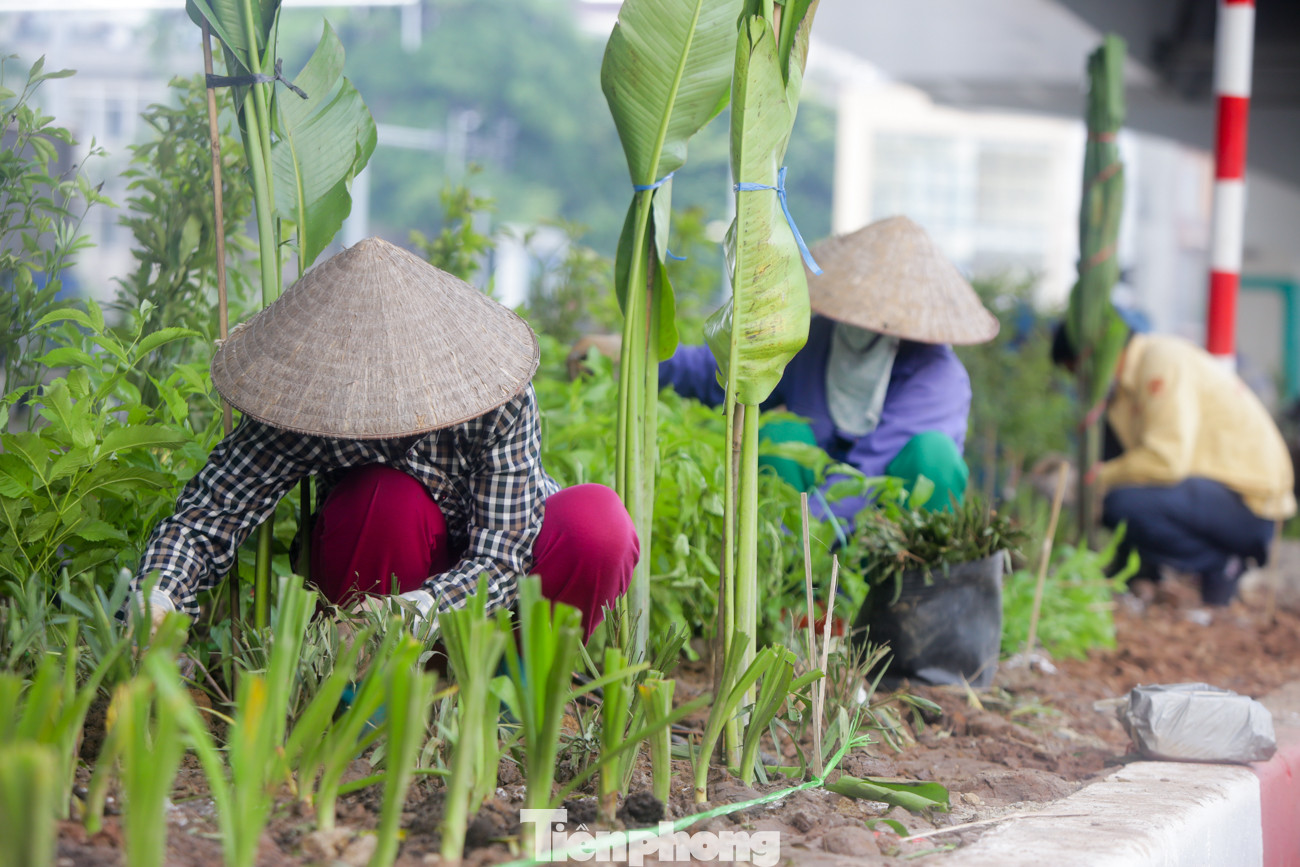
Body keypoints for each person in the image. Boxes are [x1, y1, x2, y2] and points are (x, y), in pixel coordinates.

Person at [132, 237, 639, 640]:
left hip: (497, 611)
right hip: (376, 605)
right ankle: (370, 703)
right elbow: (207, 517)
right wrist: (157, 600)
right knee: (383, 496)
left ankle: (521, 698)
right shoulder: (310, 402)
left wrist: (409, 615)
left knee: (598, 523)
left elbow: (501, 557)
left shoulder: (496, 397)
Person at [654, 215, 998, 524]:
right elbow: (726, 371)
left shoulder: (937, 376)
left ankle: (914, 588)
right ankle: (788, 576)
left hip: (892, 522)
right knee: (781, 435)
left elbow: (870, 473)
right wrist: (643, 356)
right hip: (809, 509)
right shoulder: (818, 339)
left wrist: (808, 545)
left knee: (934, 458)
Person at [1051, 322, 1296, 605]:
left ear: (1093, 354)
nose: (1081, 383)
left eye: (1076, 371)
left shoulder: (1161, 361)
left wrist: (1097, 478)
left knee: (1123, 503)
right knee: (1125, 496)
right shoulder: (1123, 390)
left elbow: (1166, 461)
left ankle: (1221, 563)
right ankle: (1141, 574)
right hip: (1214, 494)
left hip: (1251, 505)